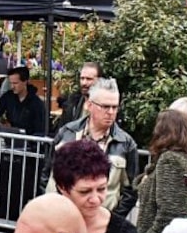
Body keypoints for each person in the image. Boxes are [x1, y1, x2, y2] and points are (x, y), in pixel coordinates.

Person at [54, 78, 139, 217]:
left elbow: (131, 191)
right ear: (89, 105)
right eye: (105, 106)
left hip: (103, 222)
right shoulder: (67, 133)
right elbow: (48, 175)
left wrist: (112, 220)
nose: (111, 112)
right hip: (64, 217)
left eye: (115, 107)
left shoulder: (126, 143)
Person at [0, 66, 48, 136]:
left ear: (25, 82)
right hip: (13, 139)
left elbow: (40, 130)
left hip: (30, 141)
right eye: (11, 83)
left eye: (15, 83)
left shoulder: (37, 104)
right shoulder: (7, 97)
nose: (12, 86)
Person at [56, 62, 101, 128]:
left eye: (89, 79)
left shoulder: (107, 107)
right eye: (82, 78)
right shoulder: (71, 105)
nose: (84, 83)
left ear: (99, 80)